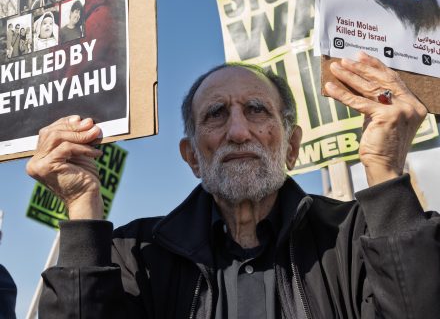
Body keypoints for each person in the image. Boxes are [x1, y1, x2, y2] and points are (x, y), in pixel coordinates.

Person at [28, 53, 440, 318]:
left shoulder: (357, 237)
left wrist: (386, 172)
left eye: (256, 110)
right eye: (217, 114)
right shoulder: (135, 253)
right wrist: (83, 207)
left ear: (292, 145)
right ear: (191, 157)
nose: (239, 131)